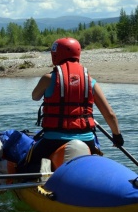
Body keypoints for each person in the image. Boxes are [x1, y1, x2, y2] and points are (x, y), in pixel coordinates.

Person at [26, 37, 124, 172]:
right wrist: (117, 136)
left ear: (55, 56)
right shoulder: (90, 81)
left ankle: (34, 180)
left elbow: (35, 97)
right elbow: (110, 114)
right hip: (87, 140)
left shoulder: (48, 78)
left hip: (53, 140)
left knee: (28, 164)